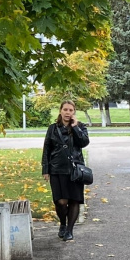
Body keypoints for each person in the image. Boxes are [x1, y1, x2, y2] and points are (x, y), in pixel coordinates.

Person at [42, 100, 89, 241]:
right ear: (60, 111)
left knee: (74, 200)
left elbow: (84, 143)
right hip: (57, 169)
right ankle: (63, 223)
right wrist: (46, 169)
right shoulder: (52, 128)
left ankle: (69, 230)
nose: (68, 112)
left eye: (70, 110)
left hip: (75, 169)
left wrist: (75, 127)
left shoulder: (80, 127)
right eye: (65, 110)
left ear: (74, 112)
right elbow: (47, 149)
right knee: (60, 202)